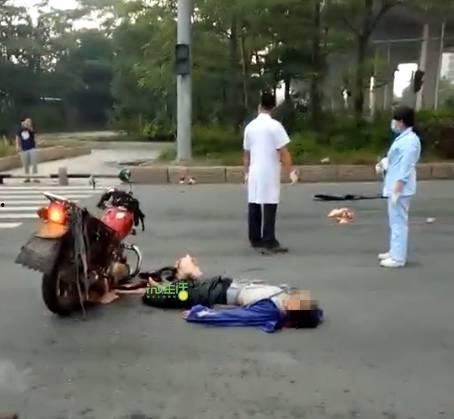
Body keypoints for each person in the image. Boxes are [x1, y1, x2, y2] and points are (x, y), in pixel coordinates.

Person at [140, 255, 323, 332]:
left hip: (214, 294)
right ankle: (174, 281)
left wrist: (200, 314)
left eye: (299, 301)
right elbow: (315, 313)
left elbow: (237, 316)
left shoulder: (271, 309)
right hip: (222, 285)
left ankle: (161, 287)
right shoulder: (286, 295)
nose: (297, 296)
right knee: (181, 287)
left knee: (156, 296)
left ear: (293, 309)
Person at [243, 92, 298, 254]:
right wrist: (290, 171)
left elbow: (246, 153)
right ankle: (269, 239)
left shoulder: (250, 127)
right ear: (273, 107)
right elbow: (283, 152)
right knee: (269, 203)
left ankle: (255, 238)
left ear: (259, 106)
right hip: (269, 170)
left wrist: (246, 172)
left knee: (254, 202)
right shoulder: (275, 126)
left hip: (254, 170)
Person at [377, 106, 421, 268]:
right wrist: (383, 164)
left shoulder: (410, 141)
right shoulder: (403, 138)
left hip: (400, 189)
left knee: (398, 223)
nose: (393, 123)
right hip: (395, 186)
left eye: (395, 120)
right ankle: (394, 251)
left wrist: (398, 187)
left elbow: (406, 166)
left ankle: (398, 258)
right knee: (394, 221)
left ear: (401, 121)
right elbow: (395, 159)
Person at [16, 117, 39, 183]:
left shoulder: (31, 129)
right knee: (25, 164)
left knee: (34, 163)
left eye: (29, 122)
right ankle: (27, 177)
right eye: (27, 122)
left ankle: (35, 177)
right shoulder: (20, 130)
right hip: (23, 149)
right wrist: (17, 146)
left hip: (32, 148)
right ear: (24, 122)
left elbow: (34, 135)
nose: (28, 123)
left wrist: (36, 144)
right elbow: (17, 138)